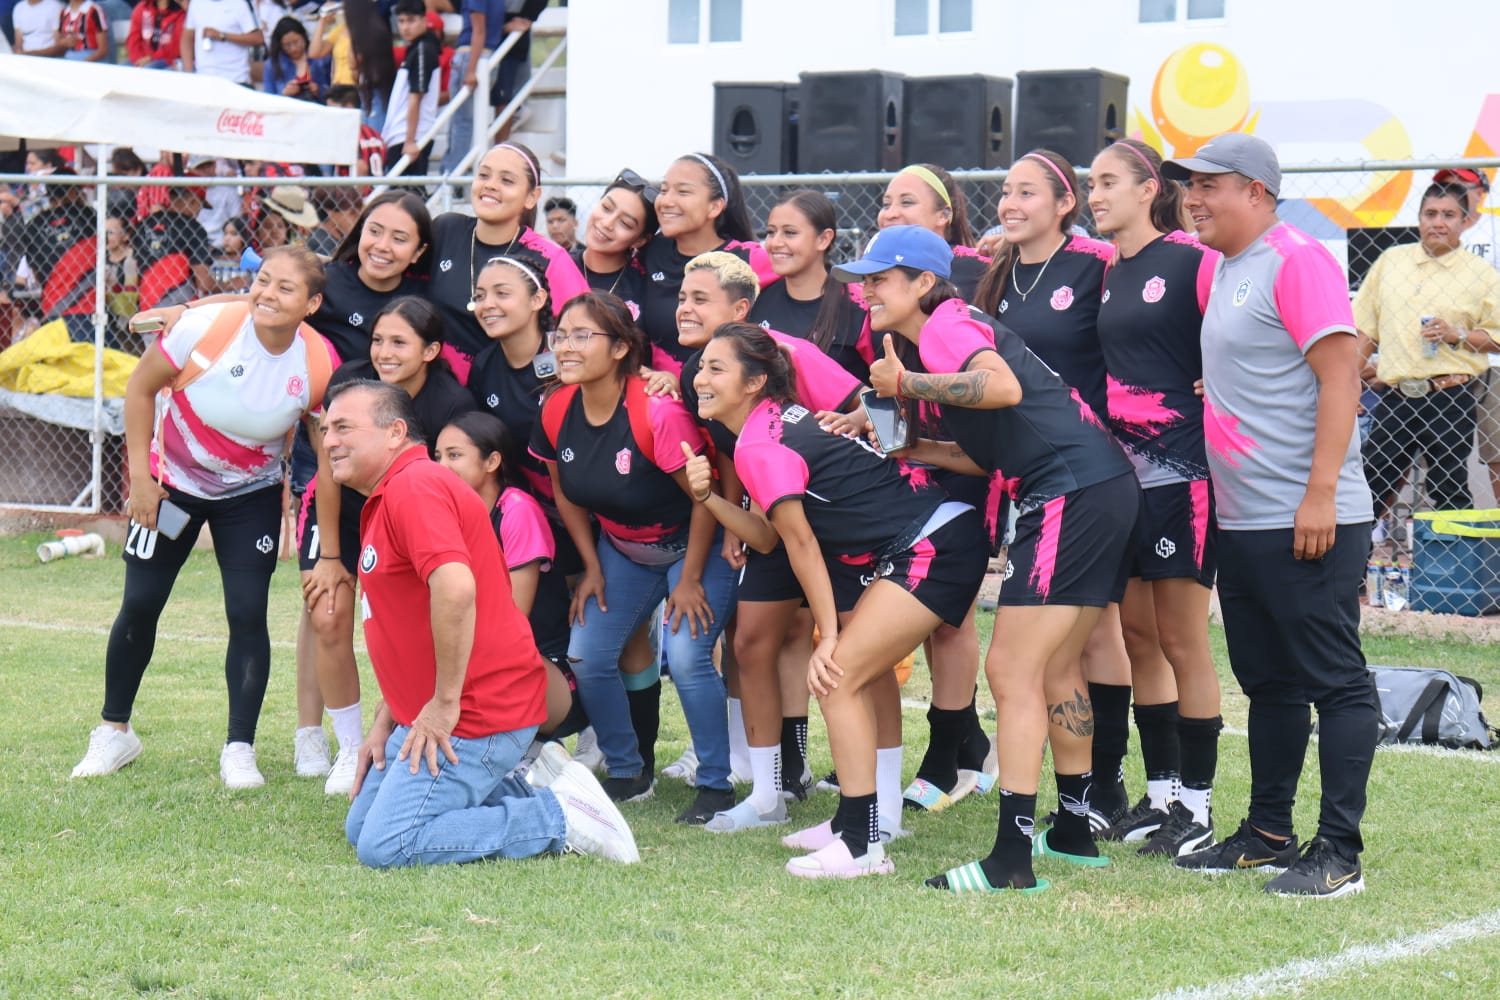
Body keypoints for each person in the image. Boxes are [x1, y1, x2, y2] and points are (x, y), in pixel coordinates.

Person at [831, 226, 1138, 893]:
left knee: (1012, 669)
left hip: (1071, 492)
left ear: (923, 282)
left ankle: (1010, 861)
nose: (865, 291)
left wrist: (904, 382)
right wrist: (914, 448)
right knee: (1057, 666)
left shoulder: (945, 323)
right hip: (1096, 486)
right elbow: (992, 448)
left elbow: (1001, 389)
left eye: (879, 279)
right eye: (863, 280)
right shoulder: (945, 331)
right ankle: (1074, 829)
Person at [685, 322, 987, 876]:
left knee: (837, 678)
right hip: (917, 540)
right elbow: (768, 538)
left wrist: (827, 636)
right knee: (858, 678)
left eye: (715, 368)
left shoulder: (761, 442)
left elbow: (800, 545)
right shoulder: (768, 427)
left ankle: (861, 844)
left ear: (754, 382)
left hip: (929, 544)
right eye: (701, 367)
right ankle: (871, 819)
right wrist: (706, 497)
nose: (699, 378)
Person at [1161, 132, 1379, 898]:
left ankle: (1340, 855)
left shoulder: (1296, 258)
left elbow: (1341, 376)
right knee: (1271, 682)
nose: (1192, 199)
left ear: (1255, 191)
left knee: (1335, 681)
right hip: (1245, 517)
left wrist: (1320, 493)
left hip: (1303, 514)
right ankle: (1267, 835)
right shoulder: (1229, 266)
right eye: (1187, 186)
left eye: (1208, 185)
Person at [322, 380, 639, 868]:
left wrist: (444, 705)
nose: (328, 441)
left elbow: (455, 589)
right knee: (361, 826)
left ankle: (560, 816)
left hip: (475, 714)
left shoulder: (414, 486)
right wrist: (389, 718)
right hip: (439, 710)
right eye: (325, 430)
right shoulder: (396, 490)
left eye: (344, 427)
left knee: (387, 845)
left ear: (395, 432)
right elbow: (407, 627)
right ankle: (530, 786)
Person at [70, 247, 335, 789]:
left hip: (251, 496)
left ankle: (240, 748)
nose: (267, 294)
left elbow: (326, 451)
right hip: (170, 488)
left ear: (312, 304)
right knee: (140, 604)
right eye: (263, 281)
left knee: (247, 613)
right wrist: (141, 480)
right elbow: (140, 388)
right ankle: (114, 730)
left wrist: (325, 536)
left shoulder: (317, 361)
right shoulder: (206, 327)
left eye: (286, 288)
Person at [655, 251, 863, 828]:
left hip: (838, 519)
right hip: (772, 516)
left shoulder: (789, 354)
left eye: (701, 299)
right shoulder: (695, 372)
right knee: (751, 643)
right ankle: (770, 793)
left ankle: (866, 800)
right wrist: (736, 515)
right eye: (682, 297)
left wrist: (851, 435)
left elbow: (863, 410)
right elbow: (732, 447)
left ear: (741, 309)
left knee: (838, 648)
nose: (685, 308)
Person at [972, 148, 1138, 831]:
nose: (1010, 204)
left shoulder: (1098, 263)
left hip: (1093, 473)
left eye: (1027, 193)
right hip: (1033, 476)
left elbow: (1152, 324)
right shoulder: (997, 275)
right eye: (1005, 192)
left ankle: (1106, 784)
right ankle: (1081, 797)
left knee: (1099, 633)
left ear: (1065, 203)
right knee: (1064, 648)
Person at [529, 291, 739, 820]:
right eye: (560, 335)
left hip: (695, 545)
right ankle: (627, 770)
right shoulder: (555, 407)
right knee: (587, 654)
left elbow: (704, 495)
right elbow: (565, 493)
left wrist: (689, 579)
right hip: (622, 550)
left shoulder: (655, 410)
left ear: (621, 347)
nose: (566, 347)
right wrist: (591, 566)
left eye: (583, 336)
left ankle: (716, 783)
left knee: (687, 657)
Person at [1087, 138, 1225, 857]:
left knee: (1181, 639)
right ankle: (1163, 795)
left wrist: (1222, 383)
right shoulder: (1108, 268)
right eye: (1090, 183)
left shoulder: (1193, 259)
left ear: (1149, 190)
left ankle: (1198, 809)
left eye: (1109, 182)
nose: (1095, 194)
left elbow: (1248, 335)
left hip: (1183, 474)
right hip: (1124, 480)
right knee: (1139, 636)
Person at [301, 296, 474, 794]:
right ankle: (349, 745)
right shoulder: (350, 384)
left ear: (430, 351)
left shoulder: (450, 403)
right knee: (328, 612)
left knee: (411, 623)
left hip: (406, 516)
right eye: (378, 340)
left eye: (400, 342)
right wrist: (330, 555)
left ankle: (408, 718)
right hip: (344, 514)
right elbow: (329, 468)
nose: (384, 352)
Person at [1356, 181, 1500, 518]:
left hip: (1450, 395)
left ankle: (1456, 553)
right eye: (1430, 214)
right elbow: (1365, 331)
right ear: (1419, 218)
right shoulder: (1391, 261)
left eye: (1448, 215)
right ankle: (1354, 552)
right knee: (1371, 482)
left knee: (1448, 487)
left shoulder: (1481, 274)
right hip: (1395, 395)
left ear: (1465, 221)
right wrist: (1349, 383)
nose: (1438, 222)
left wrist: (1456, 334)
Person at [427, 141, 588, 373]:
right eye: (484, 175)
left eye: (507, 180)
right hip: (439, 386)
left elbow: (584, 329)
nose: (490, 185)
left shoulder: (549, 258)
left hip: (511, 389)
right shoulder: (446, 230)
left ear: (531, 197)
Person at [637, 151, 776, 373]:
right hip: (662, 391)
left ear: (715, 207)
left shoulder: (748, 258)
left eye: (683, 192)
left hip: (724, 389)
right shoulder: (651, 251)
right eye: (663, 190)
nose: (666, 201)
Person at [750, 188, 870, 382]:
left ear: (823, 239)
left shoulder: (860, 305)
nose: (775, 242)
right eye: (770, 232)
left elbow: (884, 387)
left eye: (790, 233)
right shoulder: (757, 297)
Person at [877, 163, 989, 299]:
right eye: (886, 205)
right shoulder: (871, 272)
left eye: (907, 202)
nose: (890, 214)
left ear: (943, 215)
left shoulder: (980, 270)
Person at [570, 169, 655, 316]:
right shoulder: (557, 266)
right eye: (606, 208)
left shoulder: (645, 287)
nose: (607, 223)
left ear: (640, 240)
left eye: (625, 223)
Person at [381, 0, 441, 177]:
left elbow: (416, 96)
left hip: (409, 136)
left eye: (411, 20)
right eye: (401, 21)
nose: (405, 27)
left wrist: (410, 140)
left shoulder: (423, 50)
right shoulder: (416, 48)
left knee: (408, 191)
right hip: (402, 134)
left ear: (424, 20)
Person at [180, 0, 260, 85]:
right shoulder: (195, 3)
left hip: (235, 79)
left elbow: (258, 38)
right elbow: (187, 38)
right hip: (203, 78)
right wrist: (189, 74)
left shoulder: (241, 3)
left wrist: (222, 36)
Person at [327, 84, 388, 181]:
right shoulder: (375, 135)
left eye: (332, 110)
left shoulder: (349, 137)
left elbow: (361, 169)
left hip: (360, 189)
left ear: (349, 108)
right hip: (379, 187)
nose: (329, 116)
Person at [264, 16, 332, 102]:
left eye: (296, 42)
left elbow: (333, 90)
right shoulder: (272, 65)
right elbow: (267, 99)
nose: (293, 48)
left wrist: (318, 90)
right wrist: (284, 94)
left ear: (304, 37)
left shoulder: (321, 58)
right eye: (287, 45)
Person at [305, 186, 363, 258]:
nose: (358, 217)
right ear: (329, 212)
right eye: (352, 213)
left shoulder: (340, 235)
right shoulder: (321, 243)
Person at [126, 0, 182, 68]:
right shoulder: (142, 8)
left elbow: (176, 46)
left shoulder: (180, 12)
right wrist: (138, 59)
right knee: (120, 70)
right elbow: (133, 40)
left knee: (150, 68)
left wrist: (152, 58)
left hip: (168, 61)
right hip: (141, 59)